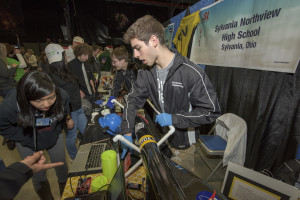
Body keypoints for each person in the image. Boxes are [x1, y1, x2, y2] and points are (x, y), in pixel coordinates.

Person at [120, 15, 221, 168]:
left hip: (185, 144)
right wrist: (127, 131)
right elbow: (132, 101)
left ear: (154, 41)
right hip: (162, 138)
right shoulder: (146, 72)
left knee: (181, 186)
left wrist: (174, 118)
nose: (135, 55)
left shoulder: (190, 72)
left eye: (137, 48)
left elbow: (211, 111)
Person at [0, 70, 73, 199]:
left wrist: (56, 131)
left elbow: (64, 112)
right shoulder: (10, 105)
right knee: (38, 175)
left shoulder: (63, 95)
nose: (46, 104)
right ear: (26, 97)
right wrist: (23, 138)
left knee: (61, 164)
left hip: (53, 136)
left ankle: (65, 191)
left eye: (51, 98)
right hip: (27, 142)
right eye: (39, 100)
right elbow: (3, 126)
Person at [45, 43, 87, 160]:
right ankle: (74, 158)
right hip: (70, 112)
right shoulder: (52, 78)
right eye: (64, 55)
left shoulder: (65, 70)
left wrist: (78, 90)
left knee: (86, 130)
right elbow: (58, 101)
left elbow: (73, 85)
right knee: (71, 137)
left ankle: (86, 151)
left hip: (78, 108)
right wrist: (67, 118)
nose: (66, 57)